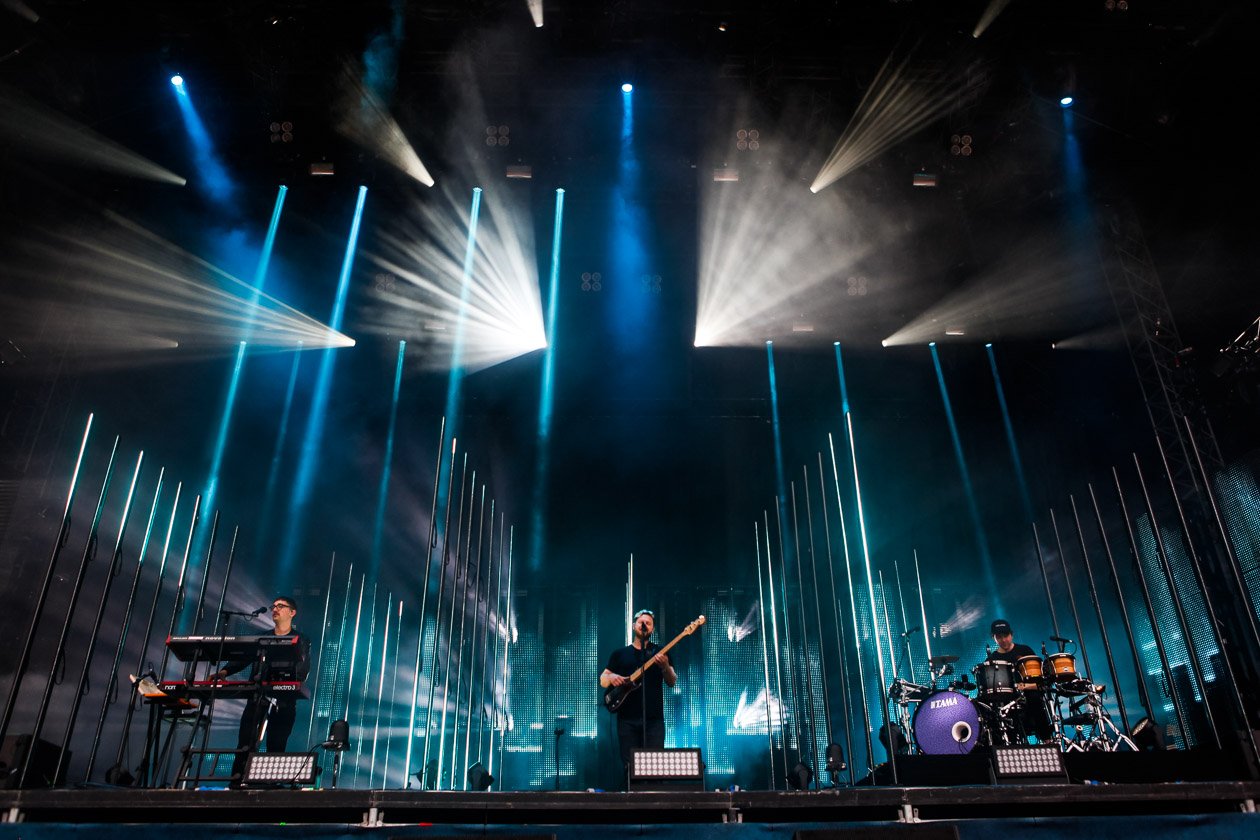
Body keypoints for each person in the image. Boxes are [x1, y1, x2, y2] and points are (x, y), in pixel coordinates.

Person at [212, 596, 311, 782]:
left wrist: (289, 682)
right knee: (245, 742)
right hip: (258, 696)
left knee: (276, 744)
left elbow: (304, 667)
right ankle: (238, 780)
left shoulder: (301, 640)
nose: (275, 609)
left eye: (280, 606)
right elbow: (244, 657)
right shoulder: (263, 637)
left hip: (284, 700)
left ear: (292, 612)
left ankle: (270, 784)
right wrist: (225, 671)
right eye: (274, 606)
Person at [600, 609, 677, 778]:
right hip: (627, 720)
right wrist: (612, 677)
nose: (644, 625)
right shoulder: (620, 654)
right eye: (641, 622)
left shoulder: (661, 652)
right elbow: (603, 680)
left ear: (653, 629)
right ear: (634, 625)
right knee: (631, 769)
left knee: (655, 768)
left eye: (648, 623)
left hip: (654, 720)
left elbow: (672, 681)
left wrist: (664, 666)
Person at [985, 619, 1052, 743]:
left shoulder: (1025, 651)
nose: (1003, 640)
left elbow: (1040, 682)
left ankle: (1048, 741)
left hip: (1029, 693)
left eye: (1006, 636)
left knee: (1035, 698)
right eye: (999, 637)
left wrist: (1024, 687)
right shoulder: (992, 659)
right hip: (1007, 699)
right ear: (993, 638)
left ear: (1011, 634)